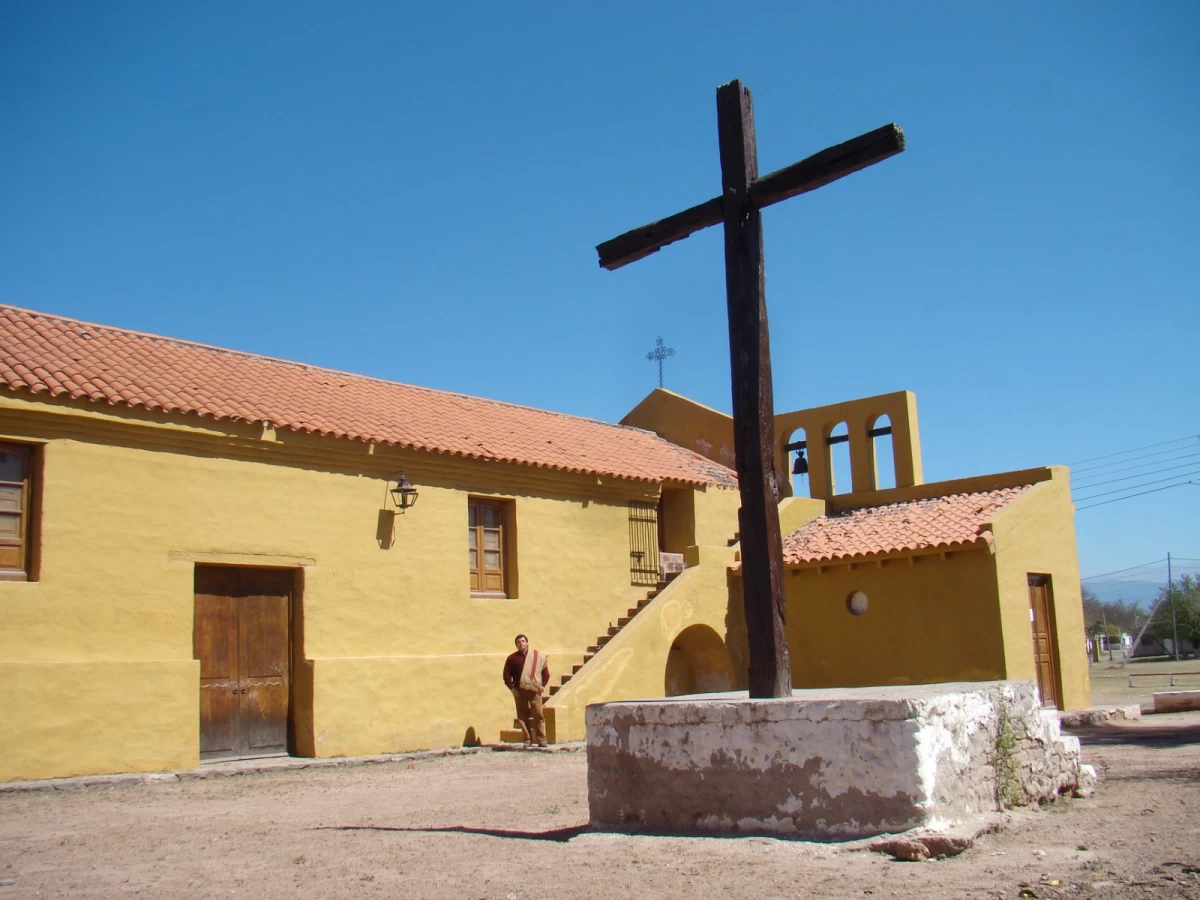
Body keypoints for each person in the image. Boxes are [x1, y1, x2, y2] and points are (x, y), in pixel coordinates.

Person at [502, 634, 550, 747]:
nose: (521, 643)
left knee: (538, 714)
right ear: (516, 645)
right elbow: (506, 674)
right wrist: (512, 688)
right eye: (518, 642)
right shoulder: (512, 658)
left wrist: (543, 685)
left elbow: (545, 673)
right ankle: (527, 739)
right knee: (522, 715)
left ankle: (542, 739)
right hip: (520, 690)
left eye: (523, 641)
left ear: (527, 643)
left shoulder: (537, 656)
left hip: (535, 690)